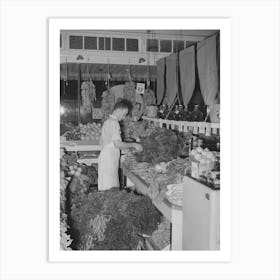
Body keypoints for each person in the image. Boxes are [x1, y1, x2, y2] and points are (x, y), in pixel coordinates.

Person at [98, 99, 143, 191]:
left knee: (105, 188)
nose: (123, 117)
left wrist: (122, 150)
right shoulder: (114, 123)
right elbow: (117, 144)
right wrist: (133, 145)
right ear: (118, 111)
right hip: (109, 161)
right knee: (110, 189)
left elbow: (103, 142)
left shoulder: (107, 122)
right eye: (124, 114)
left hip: (105, 158)